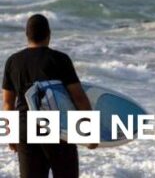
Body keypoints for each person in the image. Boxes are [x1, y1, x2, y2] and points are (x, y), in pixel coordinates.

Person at [2, 14, 96, 178]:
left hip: (26, 128)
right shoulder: (59, 59)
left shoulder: (13, 61)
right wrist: (90, 131)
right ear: (49, 34)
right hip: (57, 128)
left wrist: (10, 133)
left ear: (27, 34)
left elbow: (8, 103)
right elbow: (78, 97)